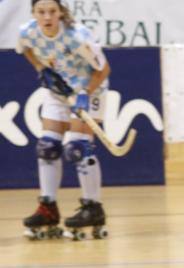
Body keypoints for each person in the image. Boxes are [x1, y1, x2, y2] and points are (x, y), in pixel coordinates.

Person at [17, 0, 110, 240]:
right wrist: (41, 68)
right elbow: (25, 48)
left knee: (77, 147)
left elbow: (103, 69)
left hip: (90, 90)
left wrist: (84, 94)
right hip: (58, 92)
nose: (47, 17)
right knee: (47, 147)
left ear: (60, 12)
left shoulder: (77, 36)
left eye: (52, 11)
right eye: (41, 12)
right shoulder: (28, 32)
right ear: (34, 13)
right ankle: (48, 207)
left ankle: (93, 207)